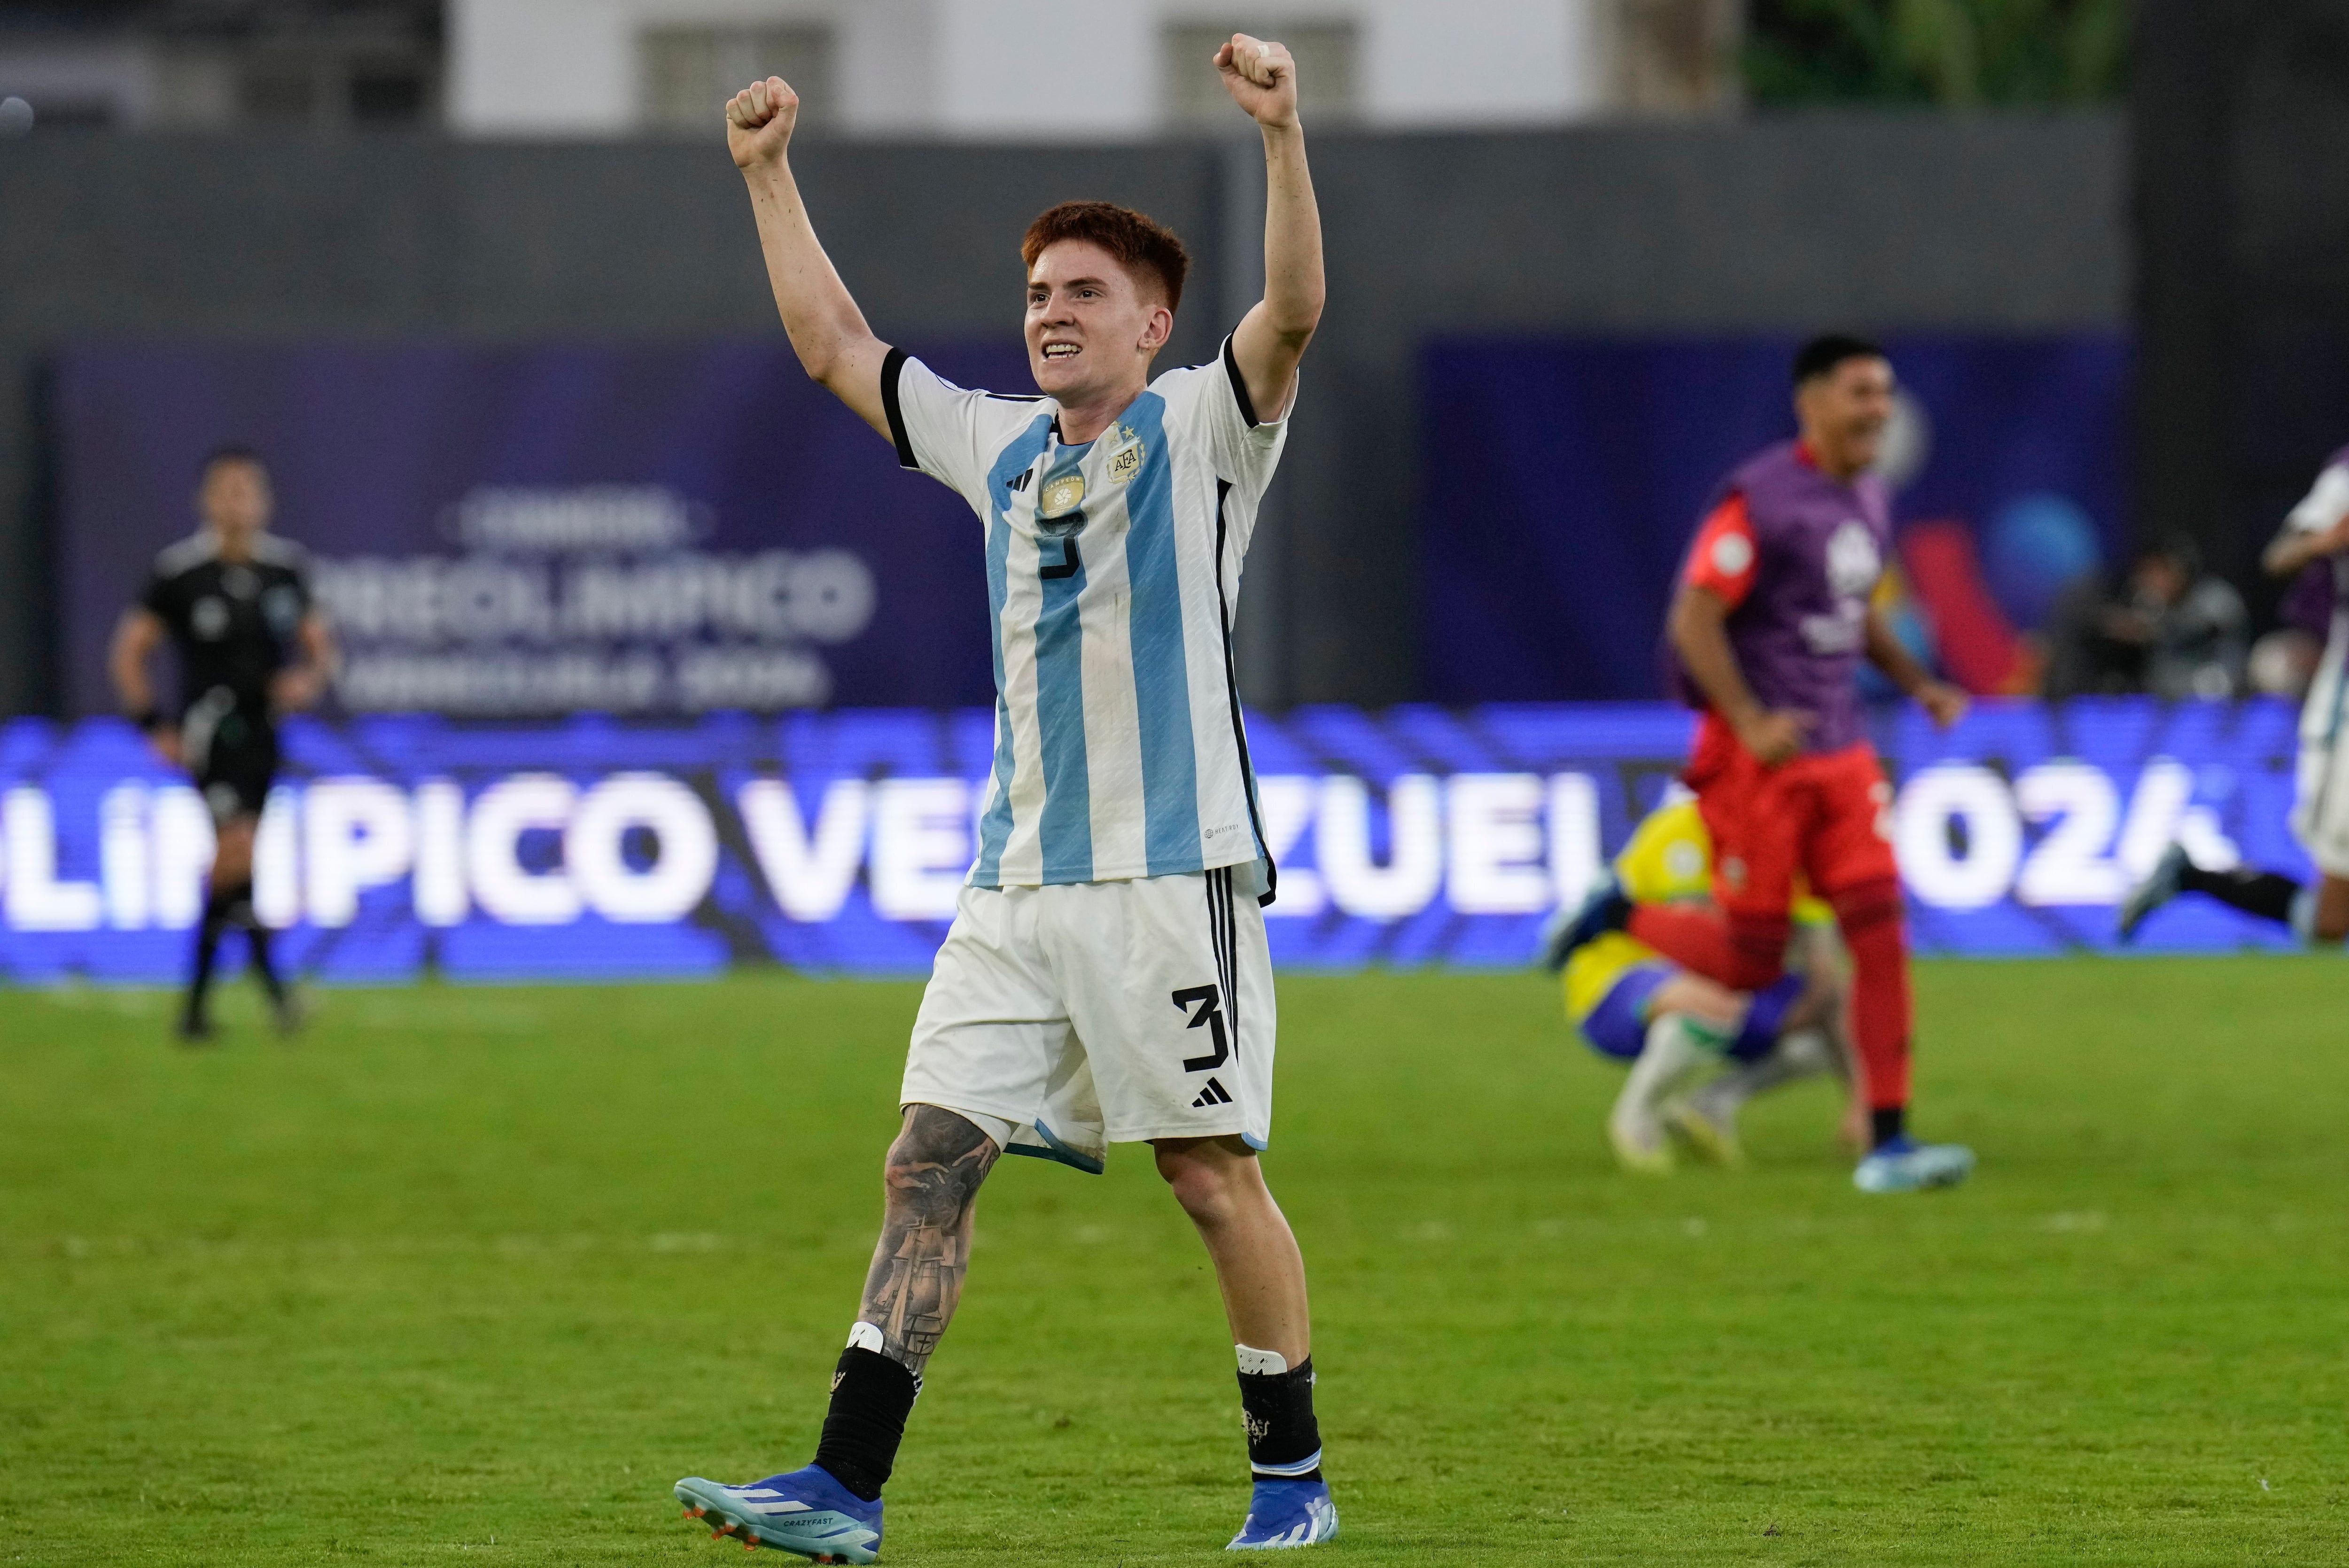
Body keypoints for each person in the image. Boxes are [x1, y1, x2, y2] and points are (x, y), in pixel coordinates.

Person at [673, 34, 1333, 1561]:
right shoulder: (996, 442)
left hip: (1174, 874)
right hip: (1013, 884)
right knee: (929, 1156)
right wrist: (768, 175)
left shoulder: (1204, 425)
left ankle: (1292, 1474)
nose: (1050, 311)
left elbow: (1292, 308)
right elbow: (840, 349)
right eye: (1037, 290)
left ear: (1153, 320)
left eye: (1083, 291)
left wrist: (1283, 135)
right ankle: (846, 1482)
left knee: (1208, 1172)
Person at [1552, 335, 1976, 1194]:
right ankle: (1622, 914)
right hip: (1757, 764)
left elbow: (1854, 614)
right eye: (1861, 392)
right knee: (1753, 963)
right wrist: (1746, 718)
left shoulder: (1867, 498)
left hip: (1841, 751)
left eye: (1885, 392)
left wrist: (1921, 684)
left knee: (1879, 929)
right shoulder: (1761, 501)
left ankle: (1890, 1142)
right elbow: (1693, 619)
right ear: (1811, 401)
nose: (1879, 409)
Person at [109, 445, 333, 1042]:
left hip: (264, 732)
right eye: (225, 491)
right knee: (233, 849)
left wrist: (306, 681)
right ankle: (275, 997)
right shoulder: (180, 572)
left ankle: (199, 1014)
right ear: (206, 500)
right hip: (210, 729)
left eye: (247, 491)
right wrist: (153, 723)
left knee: (239, 863)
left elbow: (319, 646)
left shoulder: (285, 570)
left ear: (264, 500)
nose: (236, 503)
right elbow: (130, 651)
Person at [1541, 793, 1860, 1173]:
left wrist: (1863, 1102)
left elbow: (1826, 976)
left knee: (1835, 1019)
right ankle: (1637, 1116)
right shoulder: (1683, 831)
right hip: (1615, 981)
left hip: (1725, 986)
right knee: (1707, 1000)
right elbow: (1695, 942)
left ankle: (1712, 1105)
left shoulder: (1793, 854)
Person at [2119, 449, 2349, 947]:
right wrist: (2328, 540)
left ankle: (2189, 877)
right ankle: (2192, 878)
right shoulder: (2344, 475)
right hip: (2344, 714)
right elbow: (2278, 556)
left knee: (2330, 922)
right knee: (2331, 918)